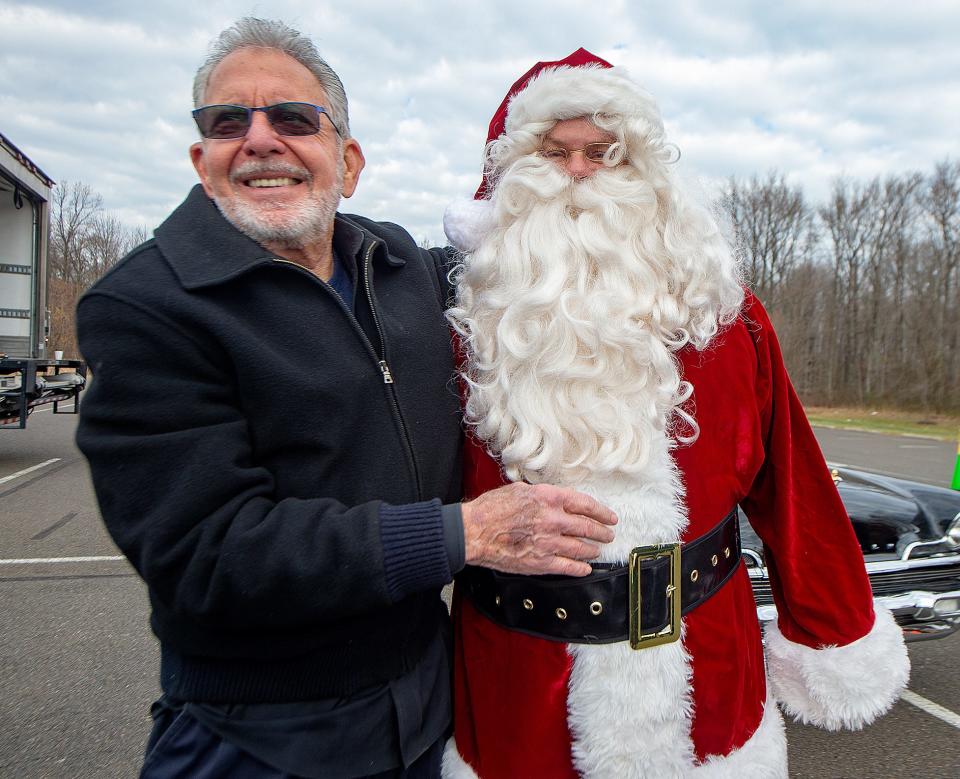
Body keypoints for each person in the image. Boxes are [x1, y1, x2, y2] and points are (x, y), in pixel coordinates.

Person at [76, 22, 617, 779]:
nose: (261, 139)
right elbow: (208, 553)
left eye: (294, 118)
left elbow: (538, 262)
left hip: (426, 710)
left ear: (348, 161)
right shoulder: (149, 306)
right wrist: (461, 534)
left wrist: (578, 166)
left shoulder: (399, 265)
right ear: (202, 163)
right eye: (229, 122)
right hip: (260, 735)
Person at [440, 49, 910, 778]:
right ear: (509, 177)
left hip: (708, 682)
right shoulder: (461, 329)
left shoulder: (726, 317)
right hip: (518, 690)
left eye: (603, 151)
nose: (579, 172)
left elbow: (793, 482)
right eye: (553, 152)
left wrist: (835, 625)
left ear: (645, 170)